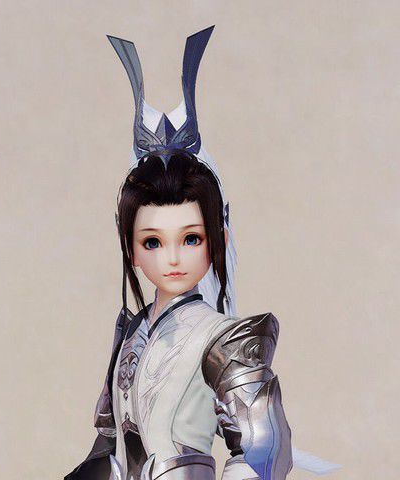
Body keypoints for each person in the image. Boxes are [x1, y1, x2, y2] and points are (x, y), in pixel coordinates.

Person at [65, 26, 326, 480]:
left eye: (191, 239)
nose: (172, 258)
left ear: (215, 240)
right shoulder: (129, 335)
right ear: (131, 249)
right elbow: (107, 447)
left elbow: (263, 449)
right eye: (153, 241)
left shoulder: (226, 338)